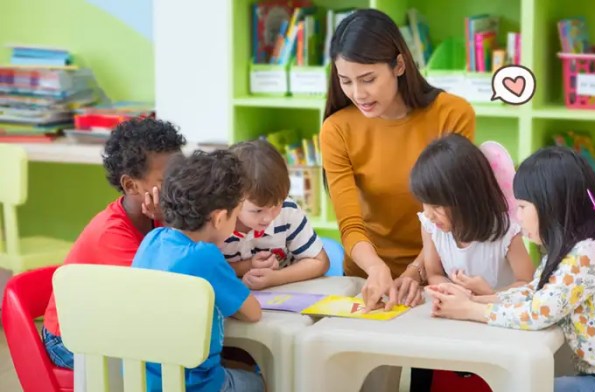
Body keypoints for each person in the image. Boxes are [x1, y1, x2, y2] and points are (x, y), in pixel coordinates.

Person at [426, 147, 595, 392]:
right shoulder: (567, 250)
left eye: (523, 207)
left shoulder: (587, 253)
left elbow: (538, 313)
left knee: (524, 387)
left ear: (552, 205)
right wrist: (478, 299)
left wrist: (470, 310)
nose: (518, 216)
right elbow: (534, 293)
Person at [320, 8, 477, 313]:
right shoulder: (336, 129)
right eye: (346, 81)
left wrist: (416, 270)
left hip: (440, 272)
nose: (358, 93)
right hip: (366, 277)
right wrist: (377, 270)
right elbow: (350, 225)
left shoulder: (452, 114)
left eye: (368, 79)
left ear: (399, 65)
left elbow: (452, 212)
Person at [42, 118, 186, 369]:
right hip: (68, 339)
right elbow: (166, 291)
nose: (180, 188)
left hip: (110, 322)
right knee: (168, 361)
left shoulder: (158, 217)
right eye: (167, 181)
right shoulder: (111, 233)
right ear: (131, 185)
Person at [132, 149, 264, 392]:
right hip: (195, 386)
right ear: (219, 218)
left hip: (144, 381)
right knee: (260, 381)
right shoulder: (205, 256)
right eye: (236, 215)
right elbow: (253, 313)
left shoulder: (153, 239)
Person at [409, 134, 534, 295]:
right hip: (460, 313)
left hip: (495, 313)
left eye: (436, 205)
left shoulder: (506, 232)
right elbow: (434, 274)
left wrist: (488, 294)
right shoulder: (431, 226)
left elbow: (527, 284)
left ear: (467, 198)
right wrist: (454, 290)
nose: (428, 214)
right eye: (424, 202)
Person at [221, 139, 329, 289]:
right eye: (258, 210)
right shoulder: (217, 221)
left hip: (283, 296)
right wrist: (247, 266)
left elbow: (320, 262)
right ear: (232, 199)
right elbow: (202, 268)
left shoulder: (287, 211)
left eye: (276, 205)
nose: (268, 218)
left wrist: (276, 278)